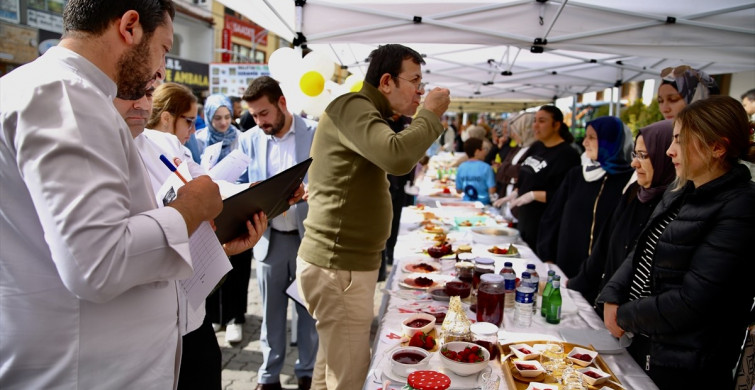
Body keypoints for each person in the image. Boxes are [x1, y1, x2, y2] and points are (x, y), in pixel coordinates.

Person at [0, 1, 224, 388]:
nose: (160, 70)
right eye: (164, 49)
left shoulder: (42, 88)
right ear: (130, 27)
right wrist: (189, 209)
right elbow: (98, 263)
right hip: (83, 371)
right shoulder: (68, 96)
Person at [296, 43, 450, 389]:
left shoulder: (364, 110)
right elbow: (397, 157)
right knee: (348, 378)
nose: (420, 91)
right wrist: (430, 114)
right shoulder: (353, 106)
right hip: (340, 266)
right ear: (386, 81)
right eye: (415, 81)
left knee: (331, 370)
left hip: (343, 264)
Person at [113, 82, 268, 390]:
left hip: (189, 317)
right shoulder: (108, 151)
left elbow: (209, 187)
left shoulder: (161, 145)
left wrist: (249, 203)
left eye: (148, 93)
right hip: (146, 332)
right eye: (134, 94)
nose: (143, 105)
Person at [599, 96, 755, 390]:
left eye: (680, 141)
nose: (670, 151)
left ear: (717, 147)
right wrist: (612, 295)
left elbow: (695, 301)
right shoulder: (681, 189)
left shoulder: (741, 206)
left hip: (682, 369)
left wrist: (624, 315)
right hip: (641, 344)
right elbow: (640, 251)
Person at [237, 76, 318, 390]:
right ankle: (269, 376)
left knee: (308, 312)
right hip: (269, 241)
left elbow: (331, 179)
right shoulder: (249, 140)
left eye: (264, 114)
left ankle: (307, 373)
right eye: (254, 116)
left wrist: (315, 190)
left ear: (282, 103)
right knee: (271, 314)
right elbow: (239, 184)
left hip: (307, 241)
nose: (259, 122)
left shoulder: (314, 133)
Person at [567, 119, 675, 311]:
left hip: (636, 318)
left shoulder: (674, 206)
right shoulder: (635, 192)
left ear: (665, 157)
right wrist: (576, 285)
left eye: (643, 155)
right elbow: (605, 243)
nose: (634, 163)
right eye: (635, 153)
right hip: (608, 305)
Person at [536, 116, 634, 277]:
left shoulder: (627, 181)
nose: (584, 143)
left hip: (601, 274)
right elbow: (553, 216)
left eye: (592, 137)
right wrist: (547, 256)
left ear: (610, 141)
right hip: (564, 266)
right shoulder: (576, 175)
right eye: (585, 137)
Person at [499, 105, 580, 250]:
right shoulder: (536, 146)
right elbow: (526, 175)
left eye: (542, 121)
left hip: (545, 225)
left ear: (556, 125)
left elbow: (567, 194)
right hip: (525, 219)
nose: (535, 125)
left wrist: (534, 195)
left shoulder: (568, 155)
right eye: (534, 120)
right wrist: (516, 192)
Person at [494, 112, 534, 199]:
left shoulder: (534, 149)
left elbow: (521, 173)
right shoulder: (518, 147)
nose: (512, 134)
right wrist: (510, 176)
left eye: (516, 131)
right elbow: (500, 173)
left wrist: (505, 168)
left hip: (518, 200)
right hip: (507, 196)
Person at [195, 93, 239, 164]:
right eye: (217, 118)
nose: (223, 122)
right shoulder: (199, 140)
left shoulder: (239, 137)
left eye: (227, 117)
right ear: (209, 118)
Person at [455, 137, 496, 204]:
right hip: (483, 204)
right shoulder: (486, 168)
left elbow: (458, 190)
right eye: (483, 149)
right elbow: (492, 190)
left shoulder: (461, 167)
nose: (485, 152)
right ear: (477, 152)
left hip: (467, 204)